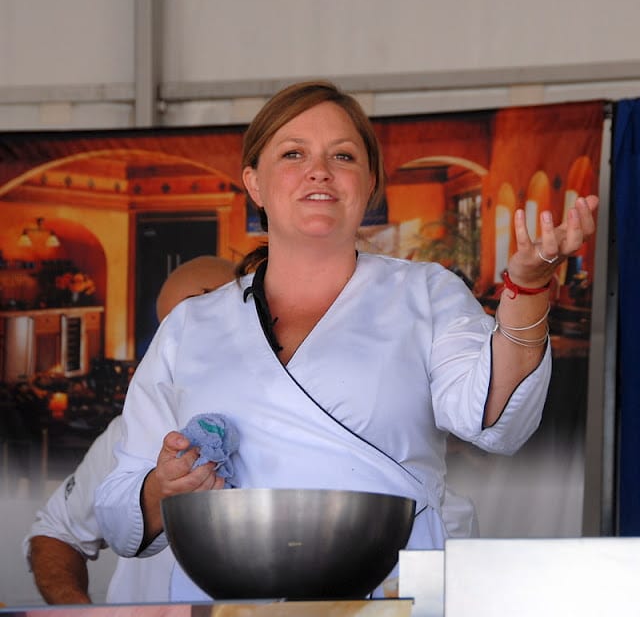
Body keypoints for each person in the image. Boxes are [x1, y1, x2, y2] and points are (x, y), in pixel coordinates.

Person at [94, 80, 598, 601]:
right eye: (293, 153)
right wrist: (164, 488)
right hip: (232, 599)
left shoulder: (426, 293)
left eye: (343, 155)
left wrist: (529, 288)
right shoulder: (189, 327)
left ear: (370, 183)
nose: (320, 170)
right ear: (255, 184)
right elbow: (116, 508)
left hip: (390, 593)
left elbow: (494, 420)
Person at [24, 255, 235, 604]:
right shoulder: (125, 434)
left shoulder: (304, 431)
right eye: (169, 329)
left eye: (197, 319)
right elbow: (55, 533)